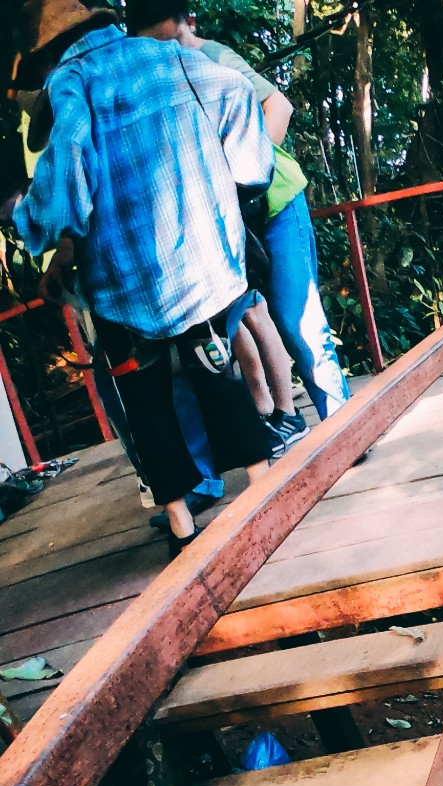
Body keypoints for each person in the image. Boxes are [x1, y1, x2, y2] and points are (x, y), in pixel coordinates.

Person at [12, 0, 276, 551]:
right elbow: (237, 95)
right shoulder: (168, 58)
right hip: (197, 270)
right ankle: (262, 492)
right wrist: (238, 177)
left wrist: (25, 217)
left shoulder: (72, 83)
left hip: (121, 285)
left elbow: (65, 191)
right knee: (218, 378)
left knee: (146, 402)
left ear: (47, 57)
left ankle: (182, 526)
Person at [172, 15, 348, 423]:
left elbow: (279, 107)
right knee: (245, 320)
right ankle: (285, 420)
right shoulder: (160, 77)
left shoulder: (212, 56)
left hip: (277, 202)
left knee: (297, 319)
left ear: (188, 21)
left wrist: (244, 174)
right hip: (229, 220)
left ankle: (342, 425)